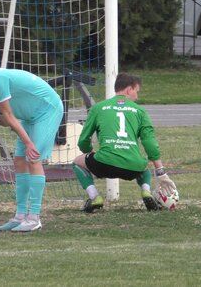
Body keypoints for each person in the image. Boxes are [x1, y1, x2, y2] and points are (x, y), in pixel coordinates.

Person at [0, 68, 63, 232]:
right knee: (19, 160)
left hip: (47, 110)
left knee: (33, 158)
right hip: (30, 117)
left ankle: (34, 218)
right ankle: (20, 215)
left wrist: (29, 143)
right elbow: (5, 121)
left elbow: (8, 115)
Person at [72, 73, 177, 213]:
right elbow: (150, 143)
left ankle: (94, 197)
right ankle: (146, 191)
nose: (137, 97)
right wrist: (160, 171)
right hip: (133, 167)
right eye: (136, 91)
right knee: (143, 165)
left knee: (76, 162)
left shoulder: (98, 108)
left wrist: (89, 152)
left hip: (104, 163)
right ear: (129, 90)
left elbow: (83, 140)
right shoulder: (140, 111)